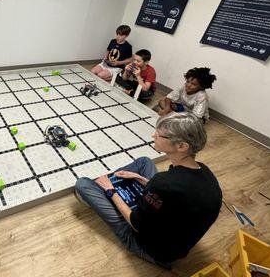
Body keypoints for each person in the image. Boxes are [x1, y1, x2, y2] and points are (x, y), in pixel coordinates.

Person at [75, 112, 222, 267]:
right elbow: (172, 195)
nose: (153, 135)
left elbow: (135, 223)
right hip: (170, 228)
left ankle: (103, 187)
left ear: (181, 146)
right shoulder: (204, 171)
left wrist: (110, 191)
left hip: (150, 247)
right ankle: (112, 183)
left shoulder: (163, 183)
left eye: (159, 135)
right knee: (144, 162)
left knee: (83, 184)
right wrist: (139, 179)